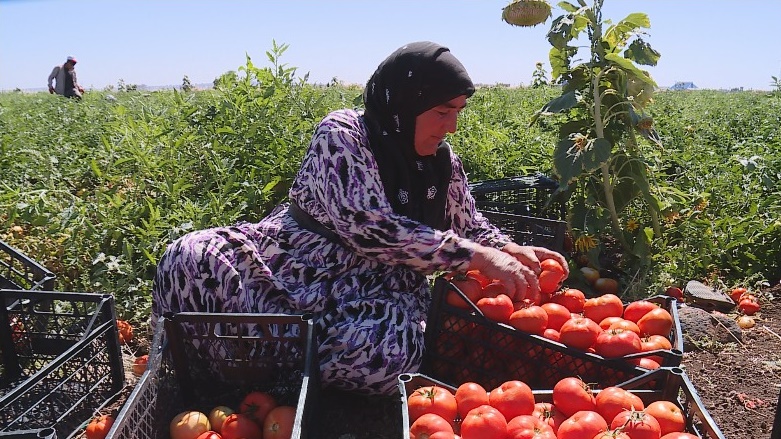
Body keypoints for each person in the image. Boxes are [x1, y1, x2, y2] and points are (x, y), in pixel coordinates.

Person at [151, 41, 569, 395]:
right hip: (286, 269)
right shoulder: (344, 134)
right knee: (190, 256)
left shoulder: (443, 164)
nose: (452, 126)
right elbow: (370, 229)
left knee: (386, 354)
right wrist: (479, 257)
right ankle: (218, 375)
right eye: (443, 112)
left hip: (374, 294)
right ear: (407, 104)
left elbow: (469, 225)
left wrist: (507, 247)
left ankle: (282, 383)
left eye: (457, 111)